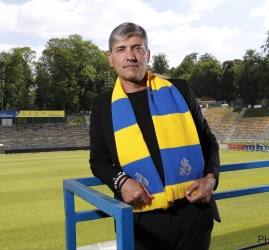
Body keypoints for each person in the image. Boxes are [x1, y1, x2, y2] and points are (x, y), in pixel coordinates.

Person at [89, 22, 220, 250]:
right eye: (121, 49)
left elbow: (207, 140)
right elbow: (98, 160)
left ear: (147, 54)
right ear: (111, 59)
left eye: (136, 48)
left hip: (194, 212)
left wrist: (210, 179)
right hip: (142, 219)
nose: (130, 56)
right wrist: (121, 182)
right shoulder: (102, 105)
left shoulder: (179, 90)